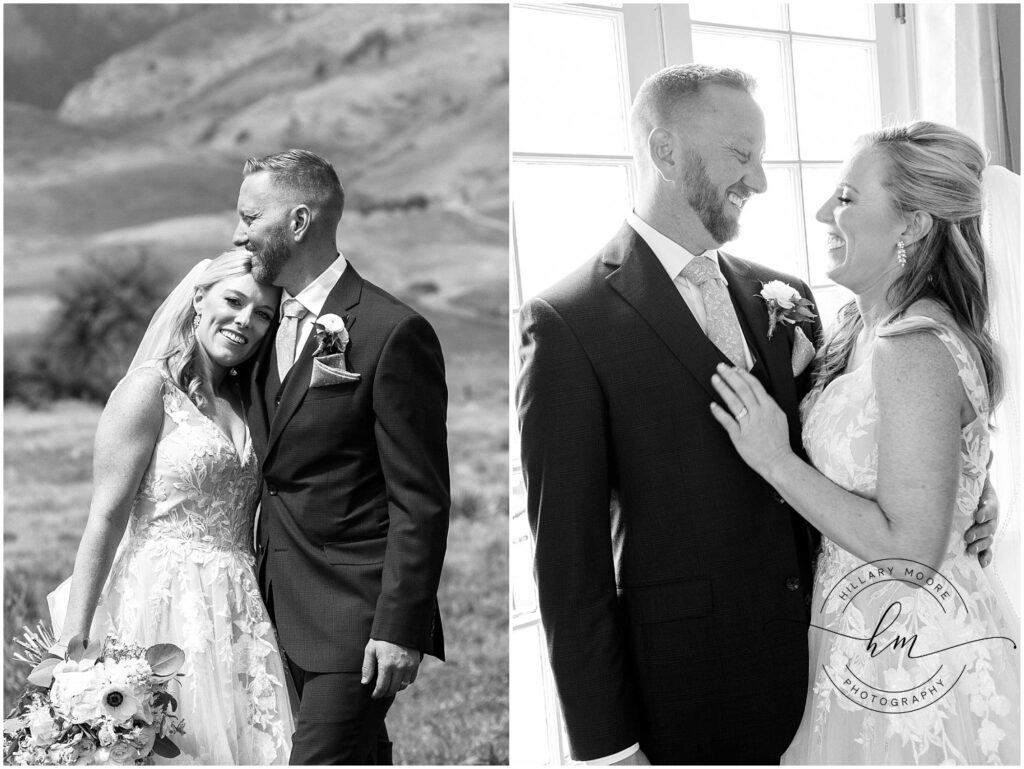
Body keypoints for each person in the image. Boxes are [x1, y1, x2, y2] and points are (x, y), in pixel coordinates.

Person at [516, 64, 997, 764]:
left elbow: (879, 438)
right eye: (743, 156)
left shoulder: (788, 295)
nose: (763, 181)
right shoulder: (569, 320)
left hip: (845, 660)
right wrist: (608, 748)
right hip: (690, 699)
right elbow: (567, 563)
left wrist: (966, 495)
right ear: (666, 151)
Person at [710, 122, 1019, 764]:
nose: (825, 212)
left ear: (913, 226)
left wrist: (774, 459)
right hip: (849, 634)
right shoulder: (857, 324)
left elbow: (911, 550)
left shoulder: (916, 349)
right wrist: (968, 486)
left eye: (847, 198)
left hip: (912, 653)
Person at [233, 149, 450, 765]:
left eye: (251, 216)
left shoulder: (390, 331)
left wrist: (398, 626)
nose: (237, 232)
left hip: (355, 620)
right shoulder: (256, 323)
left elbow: (421, 499)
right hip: (270, 608)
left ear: (298, 222)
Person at [52, 248, 294, 763]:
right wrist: (72, 642)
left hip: (235, 608)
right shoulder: (148, 390)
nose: (244, 322)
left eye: (263, 315)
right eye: (234, 301)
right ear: (199, 298)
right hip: (159, 598)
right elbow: (107, 515)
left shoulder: (249, 401)